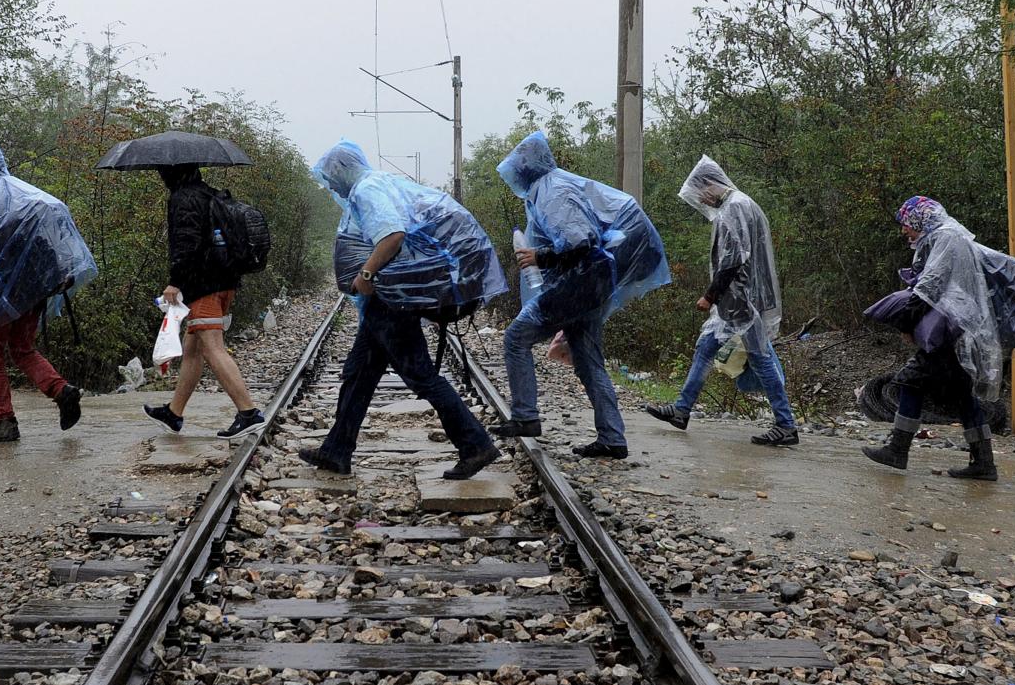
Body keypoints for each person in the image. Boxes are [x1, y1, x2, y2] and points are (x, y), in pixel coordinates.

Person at [299, 140, 503, 480]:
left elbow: (392, 236)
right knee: (358, 372)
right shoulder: (379, 182)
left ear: (344, 170)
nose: (330, 185)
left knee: (420, 375)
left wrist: (367, 273)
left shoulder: (367, 190)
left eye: (331, 177)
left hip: (391, 298)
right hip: (389, 297)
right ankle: (336, 450)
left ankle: (475, 443)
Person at [492, 131, 671, 459]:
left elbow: (581, 240)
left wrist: (539, 257)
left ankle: (526, 417)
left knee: (516, 338)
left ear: (526, 166)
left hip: (580, 284)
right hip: (593, 283)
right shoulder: (555, 185)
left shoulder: (552, 190)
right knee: (588, 360)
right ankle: (612, 437)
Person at [861, 196, 1015, 481]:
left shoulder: (947, 239)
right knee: (961, 395)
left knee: (909, 381)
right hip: (960, 330)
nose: (904, 230)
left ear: (920, 219)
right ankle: (984, 463)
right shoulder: (949, 237)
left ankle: (897, 449)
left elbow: (931, 286)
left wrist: (906, 321)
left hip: (952, 333)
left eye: (906, 223)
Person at [647, 156, 798, 446]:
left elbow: (732, 260)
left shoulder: (735, 208)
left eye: (702, 192)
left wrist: (709, 295)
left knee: (760, 357)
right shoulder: (738, 205)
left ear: (712, 185)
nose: (702, 199)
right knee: (706, 348)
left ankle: (786, 424)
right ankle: (682, 409)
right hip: (739, 300)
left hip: (741, 301)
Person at [0, 142, 96, 443]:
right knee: (22, 347)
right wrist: (57, 276)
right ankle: (61, 390)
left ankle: (3, 421)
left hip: (1, 289)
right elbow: (51, 239)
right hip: (36, 287)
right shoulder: (32, 195)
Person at [142, 163, 265, 440]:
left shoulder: (184, 198)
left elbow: (188, 243)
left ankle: (248, 413)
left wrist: (176, 281)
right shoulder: (209, 194)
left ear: (173, 172)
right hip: (225, 280)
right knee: (193, 349)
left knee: (212, 348)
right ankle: (174, 414)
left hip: (204, 284)